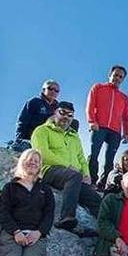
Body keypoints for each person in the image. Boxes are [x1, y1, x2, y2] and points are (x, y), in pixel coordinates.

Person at [31, 101, 101, 236]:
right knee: (73, 176)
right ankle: (66, 217)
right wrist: (68, 167)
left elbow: (81, 157)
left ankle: (106, 230)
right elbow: (42, 153)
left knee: (95, 198)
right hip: (49, 170)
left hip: (73, 177)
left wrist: (86, 174)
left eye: (70, 115)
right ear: (55, 113)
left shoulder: (74, 136)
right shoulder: (42, 130)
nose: (66, 117)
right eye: (62, 112)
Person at [86, 65, 128, 189]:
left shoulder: (124, 98)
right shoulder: (98, 88)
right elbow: (90, 105)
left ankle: (104, 184)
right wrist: (91, 121)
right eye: (115, 75)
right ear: (110, 75)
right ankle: (91, 180)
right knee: (94, 154)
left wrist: (127, 133)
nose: (117, 78)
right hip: (99, 126)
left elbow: (126, 117)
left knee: (109, 159)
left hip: (115, 131)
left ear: (123, 80)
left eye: (120, 77)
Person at [8, 79, 60, 152]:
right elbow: (22, 121)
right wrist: (19, 139)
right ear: (43, 89)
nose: (53, 92)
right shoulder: (34, 102)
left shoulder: (58, 109)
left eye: (56, 90)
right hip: (30, 138)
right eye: (50, 88)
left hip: (48, 140)